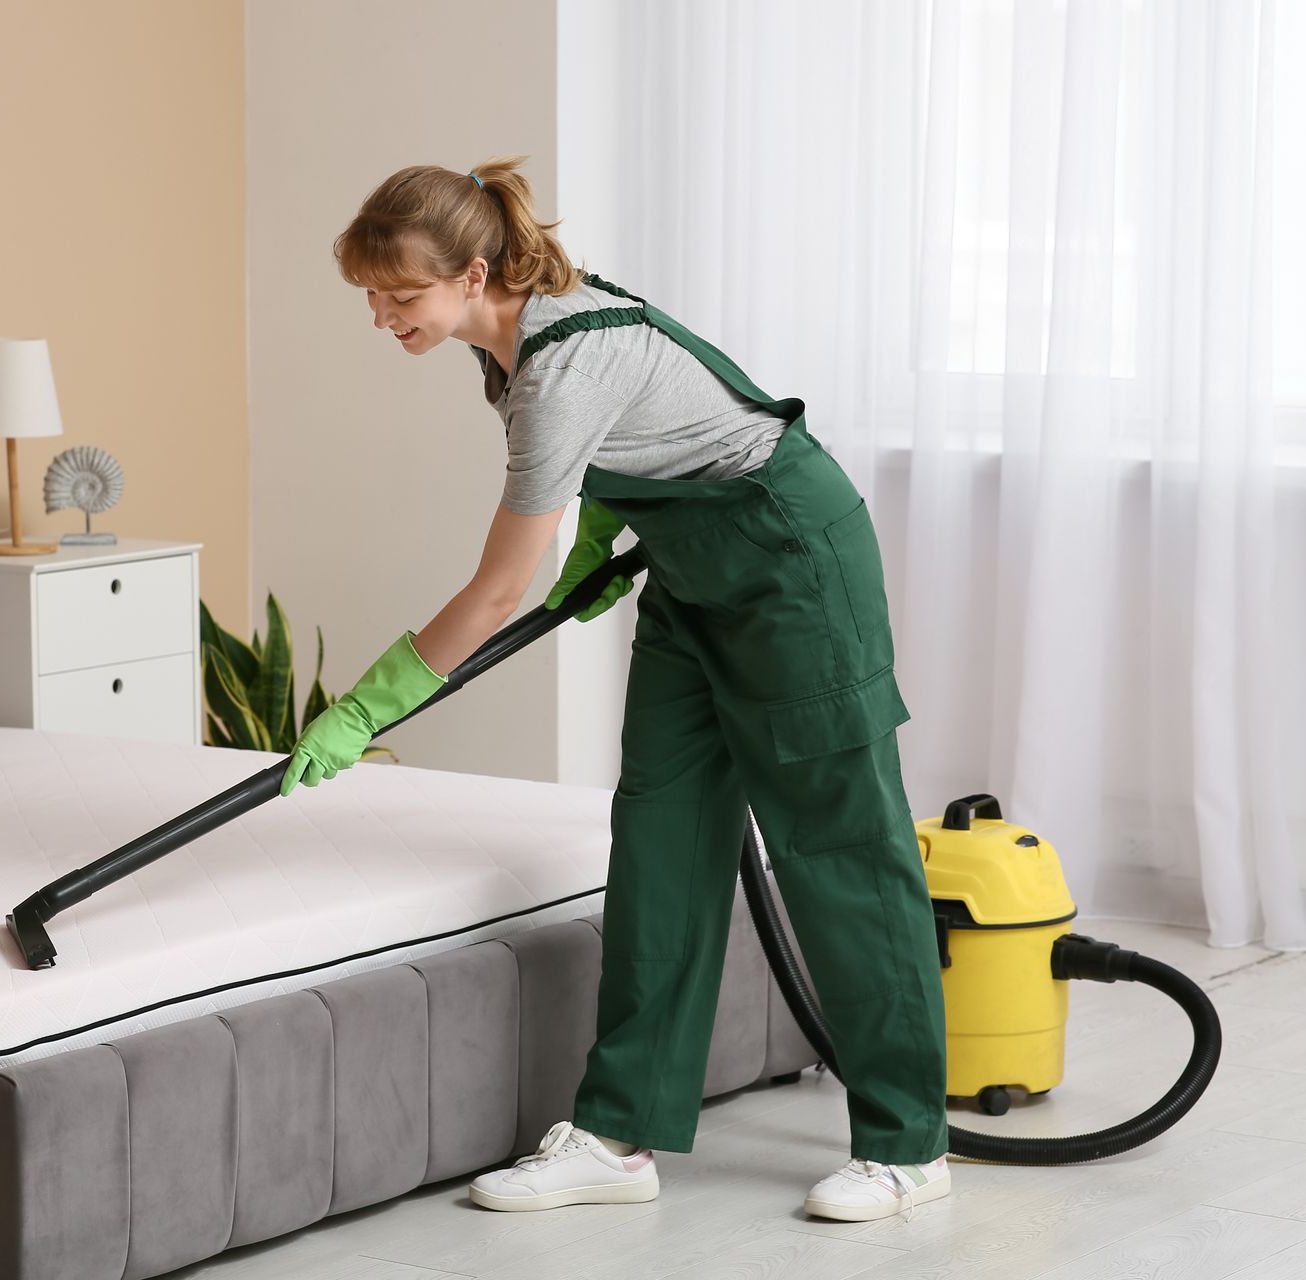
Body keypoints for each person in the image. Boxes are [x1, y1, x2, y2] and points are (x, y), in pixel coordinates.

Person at [281, 155, 951, 1225]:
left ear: (472, 270)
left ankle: (909, 1143)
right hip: (693, 573)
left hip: (789, 566)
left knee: (840, 847)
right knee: (662, 840)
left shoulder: (554, 367)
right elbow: (647, 431)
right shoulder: (511, 340)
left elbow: (502, 588)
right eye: (371, 294)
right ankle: (619, 1131)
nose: (381, 315)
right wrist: (605, 528)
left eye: (400, 294)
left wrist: (367, 707)